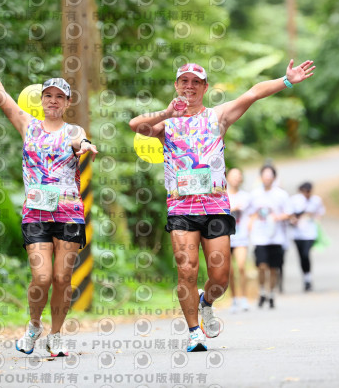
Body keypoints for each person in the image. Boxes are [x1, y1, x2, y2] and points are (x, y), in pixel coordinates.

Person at [129, 60, 315, 351]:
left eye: (196, 82)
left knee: (220, 278)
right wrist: (167, 112)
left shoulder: (218, 116)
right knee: (186, 271)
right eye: (184, 81)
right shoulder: (166, 124)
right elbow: (135, 126)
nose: (189, 86)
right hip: (181, 210)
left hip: (215, 208)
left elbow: (253, 93)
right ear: (176, 86)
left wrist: (287, 80)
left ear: (204, 87)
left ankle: (206, 301)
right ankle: (194, 333)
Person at [0, 31, 98, 357]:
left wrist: (85, 146)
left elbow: (78, 142)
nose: (53, 100)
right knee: (42, 277)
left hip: (68, 214)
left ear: (67, 103)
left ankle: (56, 335)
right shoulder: (28, 125)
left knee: (63, 278)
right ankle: (34, 325)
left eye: (59, 97)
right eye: (48, 95)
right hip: (36, 213)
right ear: (41, 100)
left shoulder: (74, 131)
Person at [248, 164, 291, 309]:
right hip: (260, 237)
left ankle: (271, 293)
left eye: (270, 176)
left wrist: (277, 217)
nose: (267, 178)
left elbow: (289, 213)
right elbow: (251, 213)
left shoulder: (281, 194)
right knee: (261, 266)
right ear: (260, 177)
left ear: (274, 178)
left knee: (273, 268)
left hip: (276, 236)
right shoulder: (254, 194)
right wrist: (250, 224)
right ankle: (262, 291)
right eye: (265, 176)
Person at [289, 182, 326, 291]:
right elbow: (289, 213)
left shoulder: (316, 200)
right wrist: (294, 219)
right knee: (301, 256)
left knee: (306, 254)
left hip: (310, 232)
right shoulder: (295, 200)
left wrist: (315, 219)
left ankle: (308, 277)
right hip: (297, 233)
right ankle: (305, 277)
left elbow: (320, 213)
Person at [226, 168, 251, 313]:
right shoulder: (223, 196)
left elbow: (252, 214)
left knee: (241, 267)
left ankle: (244, 298)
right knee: (229, 271)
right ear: (227, 178)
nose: (236, 178)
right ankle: (234, 299)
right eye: (233, 176)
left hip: (241, 237)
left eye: (238, 176)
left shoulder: (246, 196)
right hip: (225, 237)